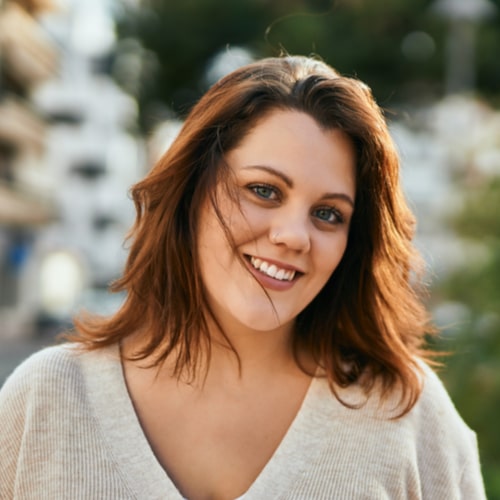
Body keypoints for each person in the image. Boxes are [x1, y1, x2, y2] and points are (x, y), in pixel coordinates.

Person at [0, 55, 485, 500]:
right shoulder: (47, 400)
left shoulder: (407, 416)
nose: (294, 236)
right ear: (193, 190)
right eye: (263, 191)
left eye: (328, 214)